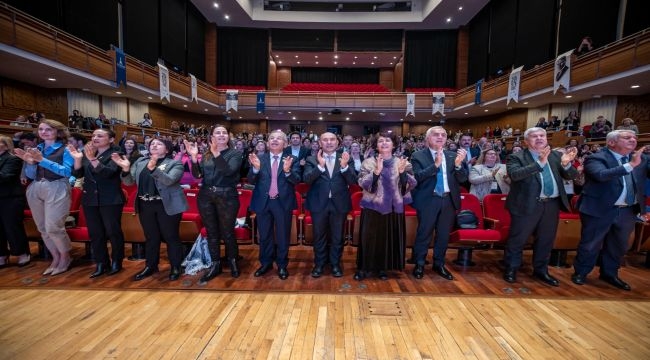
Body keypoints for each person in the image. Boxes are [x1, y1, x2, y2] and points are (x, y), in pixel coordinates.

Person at [572, 130, 650, 291]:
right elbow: (601, 175)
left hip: (627, 210)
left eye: (634, 137)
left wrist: (636, 162)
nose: (633, 140)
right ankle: (581, 272)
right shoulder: (596, 158)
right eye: (627, 137)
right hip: (599, 208)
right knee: (591, 244)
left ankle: (610, 274)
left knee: (619, 245)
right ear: (611, 142)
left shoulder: (641, 159)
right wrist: (630, 165)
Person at [503, 127, 578, 286]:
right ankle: (511, 268)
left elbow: (571, 176)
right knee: (518, 240)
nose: (539, 138)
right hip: (526, 204)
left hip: (551, 204)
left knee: (546, 240)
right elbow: (515, 175)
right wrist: (539, 163)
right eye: (534, 136)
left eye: (542, 135)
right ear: (526, 141)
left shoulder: (556, 156)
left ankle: (541, 270)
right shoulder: (516, 157)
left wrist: (566, 164)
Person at [112, 138, 187, 281]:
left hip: (166, 205)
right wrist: (126, 170)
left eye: (159, 144)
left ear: (167, 149)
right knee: (151, 238)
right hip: (145, 204)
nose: (154, 145)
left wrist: (153, 168)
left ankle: (176, 266)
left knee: (171, 237)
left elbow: (169, 180)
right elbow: (129, 183)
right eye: (152, 143)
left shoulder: (174, 163)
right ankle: (151, 266)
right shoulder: (141, 162)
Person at [14, 119, 74, 276]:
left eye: (48, 129)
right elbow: (30, 175)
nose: (44, 132)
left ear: (58, 131)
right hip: (36, 186)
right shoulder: (37, 148)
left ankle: (65, 257)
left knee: (53, 226)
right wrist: (30, 163)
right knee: (42, 228)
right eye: (41, 129)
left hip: (57, 186)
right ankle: (55, 257)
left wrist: (42, 160)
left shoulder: (65, 149)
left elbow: (66, 172)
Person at [354, 131, 416, 281]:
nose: (384, 143)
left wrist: (402, 173)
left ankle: (383, 267)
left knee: (387, 239)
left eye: (388, 140)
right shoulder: (368, 162)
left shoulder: (403, 162)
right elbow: (362, 183)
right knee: (369, 238)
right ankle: (364, 267)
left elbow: (411, 184)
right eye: (381, 141)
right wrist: (375, 172)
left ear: (394, 145)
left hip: (393, 207)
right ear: (376, 145)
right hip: (372, 207)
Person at [186, 125, 243, 282]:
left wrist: (217, 153)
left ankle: (233, 261)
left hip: (227, 196)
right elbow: (198, 175)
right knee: (212, 233)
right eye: (218, 133)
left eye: (224, 133)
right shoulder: (206, 155)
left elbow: (228, 171)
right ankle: (215, 264)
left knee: (227, 231)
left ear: (228, 137)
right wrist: (193, 158)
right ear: (211, 137)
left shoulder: (235, 154)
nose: (221, 135)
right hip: (206, 196)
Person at [410, 126, 468, 280]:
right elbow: (417, 178)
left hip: (448, 200)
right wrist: (435, 165)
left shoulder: (452, 155)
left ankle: (439, 264)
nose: (440, 137)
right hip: (429, 200)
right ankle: (420, 264)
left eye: (443, 135)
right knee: (424, 234)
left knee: (443, 235)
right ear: (428, 138)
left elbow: (462, 179)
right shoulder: (418, 156)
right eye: (436, 134)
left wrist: (458, 165)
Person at [69, 128, 126, 278]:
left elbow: (108, 173)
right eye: (93, 135)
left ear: (111, 139)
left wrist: (92, 159)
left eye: (100, 136)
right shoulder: (89, 153)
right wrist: (77, 159)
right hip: (90, 199)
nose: (95, 138)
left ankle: (116, 262)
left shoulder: (116, 154)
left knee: (113, 232)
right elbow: (77, 174)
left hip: (110, 198)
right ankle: (101, 263)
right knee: (96, 233)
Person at [303, 132, 357, 278]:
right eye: (325, 140)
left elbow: (353, 181)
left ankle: (335, 264)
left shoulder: (346, 158)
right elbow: (307, 179)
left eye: (332, 139)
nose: (329, 142)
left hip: (339, 204)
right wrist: (319, 167)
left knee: (337, 236)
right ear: (320, 143)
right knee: (319, 236)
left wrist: (345, 167)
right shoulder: (312, 159)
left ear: (337, 142)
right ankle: (319, 264)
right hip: (318, 204)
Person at [248, 130, 301, 280]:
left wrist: (287, 171)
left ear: (285, 143)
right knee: (264, 235)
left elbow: (297, 180)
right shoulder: (259, 158)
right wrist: (256, 169)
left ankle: (282, 265)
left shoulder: (292, 159)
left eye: (279, 138)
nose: (275, 140)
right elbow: (251, 180)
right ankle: (265, 263)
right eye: (272, 138)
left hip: (282, 202)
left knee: (283, 236)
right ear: (267, 142)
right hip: (263, 202)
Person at [0, 135, 30, 268]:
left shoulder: (13, 159)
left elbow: (6, 177)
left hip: (10, 198)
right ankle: (2, 255)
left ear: (6, 145)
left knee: (12, 227)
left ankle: (22, 253)